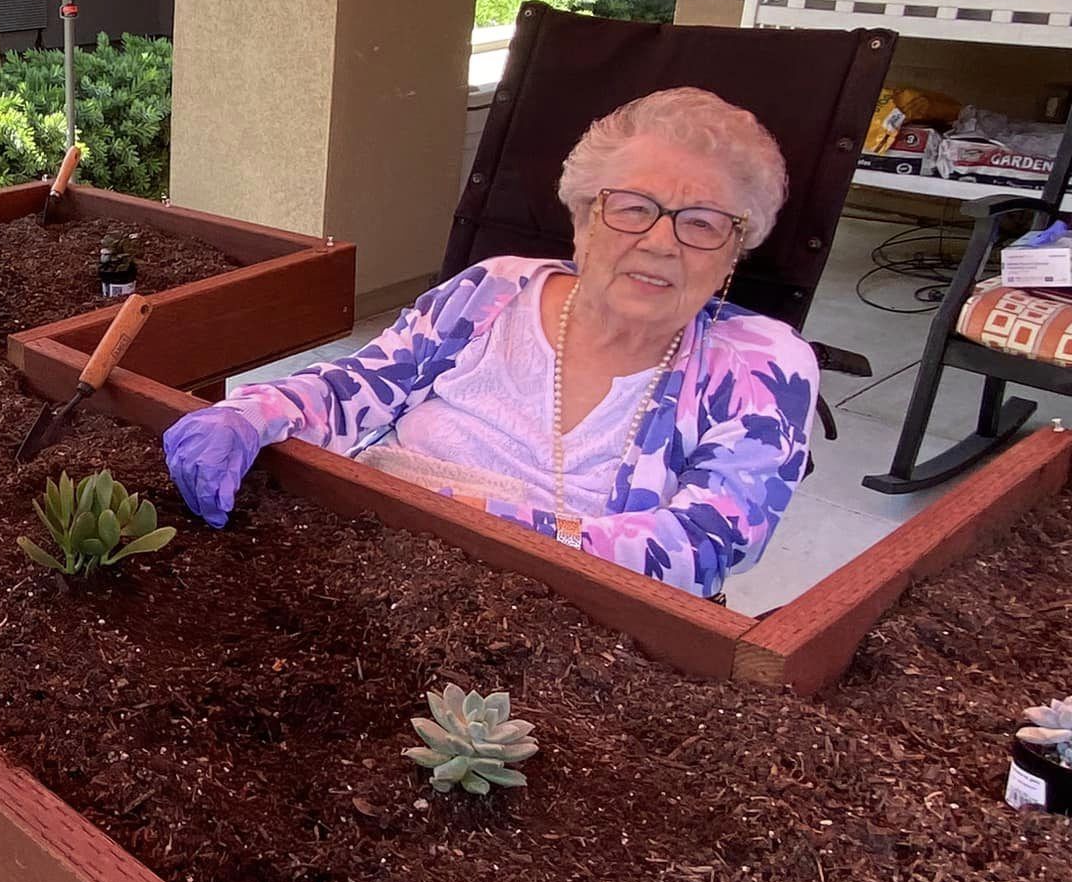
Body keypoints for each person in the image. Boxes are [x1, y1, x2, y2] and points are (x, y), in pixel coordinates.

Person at [163, 88, 819, 598]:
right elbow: (354, 388)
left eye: (702, 223)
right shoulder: (494, 288)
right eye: (632, 208)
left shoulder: (762, 365)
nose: (660, 242)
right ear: (584, 218)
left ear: (735, 249)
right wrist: (248, 413)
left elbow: (699, 552)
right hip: (361, 555)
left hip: (553, 623)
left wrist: (458, 524)